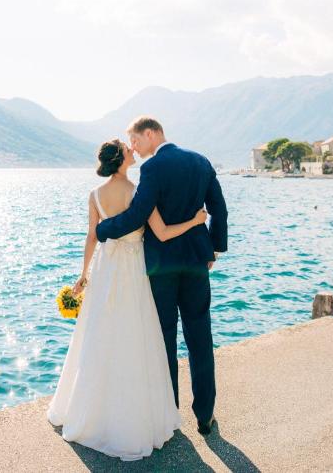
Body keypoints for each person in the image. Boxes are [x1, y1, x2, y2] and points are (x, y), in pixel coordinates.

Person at [47, 138, 207, 460]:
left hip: (106, 270)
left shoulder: (94, 195)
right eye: (128, 149)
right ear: (121, 158)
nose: (133, 151)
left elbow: (92, 237)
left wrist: (83, 274)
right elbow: (161, 233)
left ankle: (92, 413)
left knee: (100, 337)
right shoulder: (138, 192)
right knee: (135, 339)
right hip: (133, 272)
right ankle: (134, 418)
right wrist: (195, 221)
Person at [95, 117, 228, 436]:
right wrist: (214, 250)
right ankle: (205, 415)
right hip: (197, 262)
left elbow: (138, 214)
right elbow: (219, 211)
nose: (135, 150)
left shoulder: (152, 168)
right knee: (200, 338)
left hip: (161, 266)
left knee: (164, 338)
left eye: (136, 141)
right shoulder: (201, 161)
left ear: (151, 134)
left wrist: (103, 229)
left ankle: (170, 416)